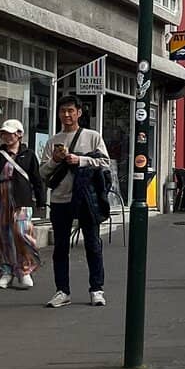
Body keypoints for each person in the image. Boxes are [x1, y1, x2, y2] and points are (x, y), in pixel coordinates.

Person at [40, 95, 110, 308]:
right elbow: (43, 173)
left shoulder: (93, 136)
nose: (67, 115)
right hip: (61, 199)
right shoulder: (53, 141)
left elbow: (105, 162)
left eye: (71, 110)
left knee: (92, 244)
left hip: (86, 198)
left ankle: (97, 289)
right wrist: (56, 160)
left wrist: (80, 160)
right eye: (63, 111)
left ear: (79, 112)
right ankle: (62, 291)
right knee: (60, 247)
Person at [0, 119, 45, 290]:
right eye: (4, 133)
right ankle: (5, 271)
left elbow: (37, 179)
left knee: (21, 232)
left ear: (19, 134)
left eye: (11, 133)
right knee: (2, 235)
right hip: (0, 197)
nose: (7, 136)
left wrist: (41, 200)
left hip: (21, 198)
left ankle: (25, 270)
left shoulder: (28, 155)